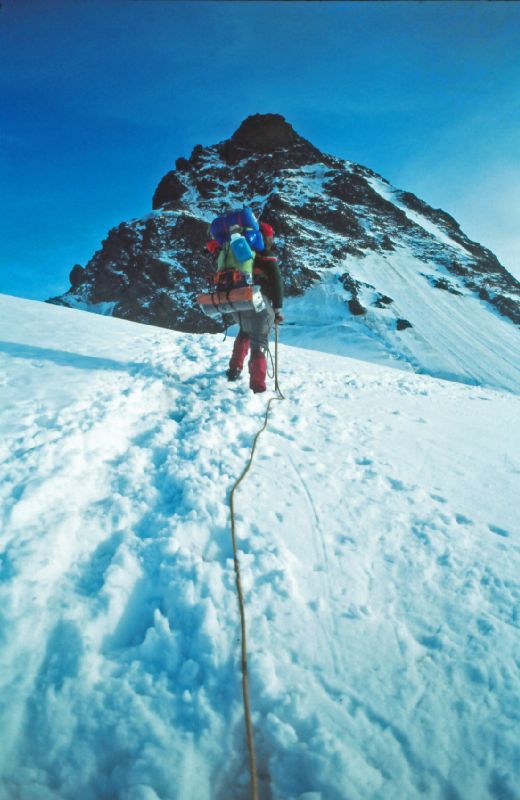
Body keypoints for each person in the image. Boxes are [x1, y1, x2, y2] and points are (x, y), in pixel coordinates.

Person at [226, 222, 284, 393]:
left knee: (244, 332)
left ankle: (234, 370)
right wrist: (278, 309)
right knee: (258, 343)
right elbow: (277, 283)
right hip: (259, 303)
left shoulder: (240, 255)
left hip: (238, 301)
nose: (271, 240)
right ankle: (257, 388)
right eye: (270, 237)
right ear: (264, 237)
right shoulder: (266, 255)